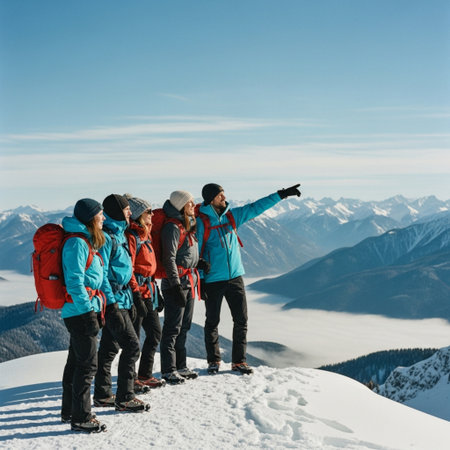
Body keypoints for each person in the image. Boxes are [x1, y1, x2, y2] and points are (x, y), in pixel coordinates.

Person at [197, 183, 301, 375]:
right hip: (213, 280)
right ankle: (214, 361)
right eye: (220, 195)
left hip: (236, 276)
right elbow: (197, 254)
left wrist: (281, 195)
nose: (224, 197)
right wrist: (201, 279)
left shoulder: (232, 216)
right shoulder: (202, 222)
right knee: (212, 321)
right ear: (211, 199)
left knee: (241, 320)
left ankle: (239, 362)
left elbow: (256, 207)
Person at [93, 194, 150, 412]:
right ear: (117, 212)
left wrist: (134, 296)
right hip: (114, 300)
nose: (129, 213)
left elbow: (126, 270)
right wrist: (112, 305)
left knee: (109, 348)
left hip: (124, 298)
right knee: (132, 346)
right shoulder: (107, 238)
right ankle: (125, 397)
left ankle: (102, 394)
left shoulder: (120, 234)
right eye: (126, 209)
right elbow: (104, 275)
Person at [61, 198, 107, 433]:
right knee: (88, 365)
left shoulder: (84, 241)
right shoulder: (77, 244)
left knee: (76, 362)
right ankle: (81, 416)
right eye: (100, 214)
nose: (104, 218)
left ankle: (70, 410)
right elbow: (74, 282)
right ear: (90, 218)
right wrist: (88, 310)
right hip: (80, 311)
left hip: (82, 309)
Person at [159, 190, 201, 384]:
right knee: (172, 328)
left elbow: (184, 254)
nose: (193, 206)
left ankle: (181, 365)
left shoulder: (187, 225)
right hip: (177, 284)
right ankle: (168, 369)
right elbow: (169, 259)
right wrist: (175, 286)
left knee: (184, 326)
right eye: (190, 203)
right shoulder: (173, 228)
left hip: (189, 281)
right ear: (181, 205)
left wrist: (197, 263)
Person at [124, 195, 166, 389]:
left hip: (149, 291)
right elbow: (129, 269)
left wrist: (156, 290)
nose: (152, 214)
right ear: (140, 214)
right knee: (135, 338)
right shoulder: (132, 236)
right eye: (149, 211)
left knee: (155, 333)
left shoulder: (145, 234)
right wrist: (136, 294)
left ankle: (144, 375)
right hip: (138, 293)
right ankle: (132, 379)